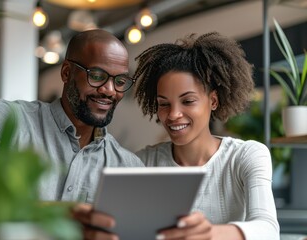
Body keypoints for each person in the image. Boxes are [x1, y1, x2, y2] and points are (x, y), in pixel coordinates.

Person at [74, 32, 280, 240]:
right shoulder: (142, 163)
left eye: (188, 101)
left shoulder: (246, 156)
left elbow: (268, 229)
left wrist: (209, 234)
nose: (173, 115)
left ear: (213, 101)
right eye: (164, 104)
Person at [0, 29, 144, 203]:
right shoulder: (4, 121)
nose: (110, 91)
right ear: (66, 72)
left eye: (120, 81)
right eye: (96, 76)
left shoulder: (129, 168)